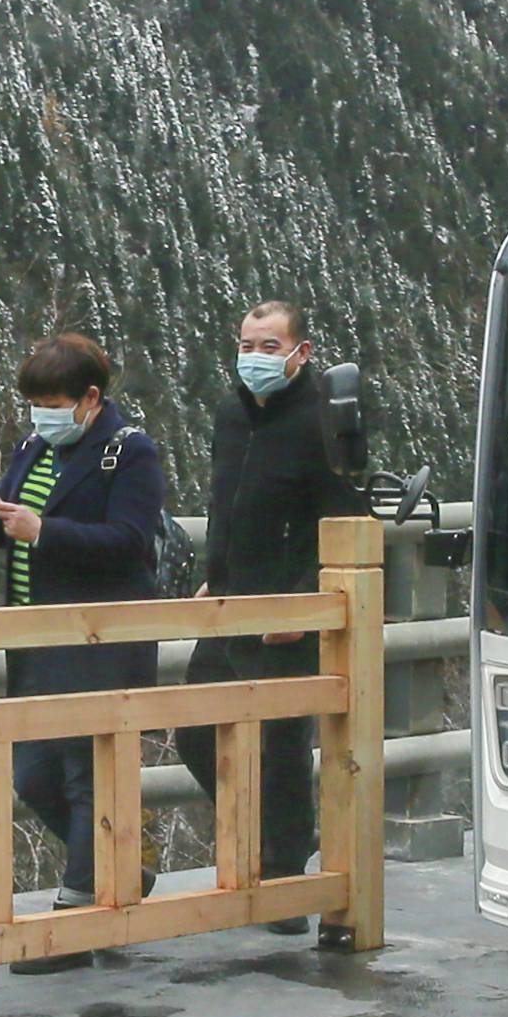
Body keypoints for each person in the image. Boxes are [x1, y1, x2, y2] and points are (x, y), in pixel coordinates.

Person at [0, 332, 166, 972]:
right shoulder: (33, 447)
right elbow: (13, 536)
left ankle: (76, 920)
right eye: (33, 403)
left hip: (98, 638)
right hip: (34, 639)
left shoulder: (129, 454)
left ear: (89, 398)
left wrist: (44, 529)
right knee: (34, 775)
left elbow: (131, 542)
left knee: (87, 773)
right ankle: (121, 865)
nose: (40, 416)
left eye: (52, 402)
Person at [175, 300, 354, 935]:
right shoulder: (229, 412)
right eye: (247, 345)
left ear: (301, 353)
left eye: (269, 347)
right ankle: (251, 840)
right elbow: (225, 501)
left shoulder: (321, 421)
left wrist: (305, 601)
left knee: (281, 747)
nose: (255, 357)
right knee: (195, 730)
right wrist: (213, 572)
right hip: (230, 600)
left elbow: (343, 518)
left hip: (288, 609)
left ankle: (284, 880)